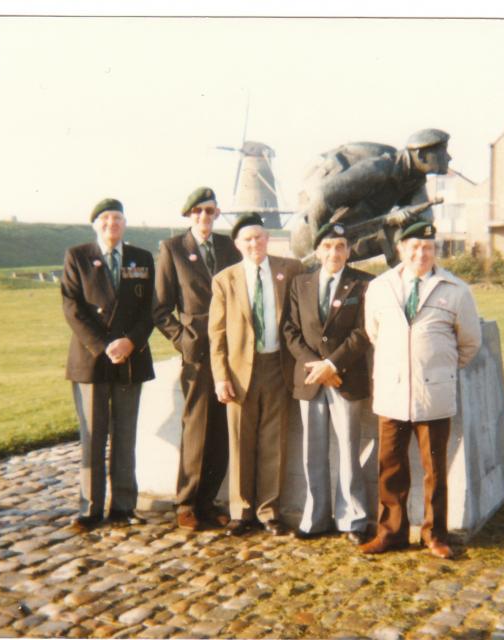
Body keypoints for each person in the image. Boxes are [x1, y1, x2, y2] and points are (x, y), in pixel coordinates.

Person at [361, 219, 481, 558]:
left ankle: (434, 534)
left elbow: (469, 344)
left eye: (427, 247)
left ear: (435, 251)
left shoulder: (455, 290)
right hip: (392, 392)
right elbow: (374, 332)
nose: (421, 253)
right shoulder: (381, 287)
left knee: (434, 469)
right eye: (414, 246)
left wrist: (437, 367)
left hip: (433, 394)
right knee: (390, 466)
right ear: (400, 249)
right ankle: (391, 532)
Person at [61, 198, 154, 531]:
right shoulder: (78, 257)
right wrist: (105, 346)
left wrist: (131, 341)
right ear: (95, 224)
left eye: (117, 218)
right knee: (93, 435)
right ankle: (89, 508)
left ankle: (123, 507)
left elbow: (148, 310)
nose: (111, 223)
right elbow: (72, 307)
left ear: (125, 223)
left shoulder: (140, 258)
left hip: (131, 358)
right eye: (105, 218)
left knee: (125, 435)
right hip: (92, 359)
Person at [209, 213, 304, 537]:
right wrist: (221, 376)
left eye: (259, 238)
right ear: (238, 244)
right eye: (248, 240)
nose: (255, 244)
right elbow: (217, 334)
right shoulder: (226, 280)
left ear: (268, 240)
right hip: (239, 373)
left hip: (277, 367)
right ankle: (241, 510)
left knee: (273, 443)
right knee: (240, 442)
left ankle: (268, 511)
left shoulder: (289, 270)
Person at [153, 187, 241, 531]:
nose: (205, 218)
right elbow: (160, 309)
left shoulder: (227, 247)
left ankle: (209, 500)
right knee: (197, 426)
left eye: (210, 211)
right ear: (189, 215)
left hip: (230, 348)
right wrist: (183, 339)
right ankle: (187, 501)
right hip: (198, 352)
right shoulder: (173, 249)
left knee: (222, 427)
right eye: (198, 212)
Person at [283, 222, 373, 545]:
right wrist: (316, 367)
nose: (334, 253)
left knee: (349, 448)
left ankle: (352, 519)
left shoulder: (363, 283)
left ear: (349, 251)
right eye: (328, 247)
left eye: (341, 247)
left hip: (344, 376)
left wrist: (332, 365)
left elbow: (363, 332)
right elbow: (290, 330)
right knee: (313, 450)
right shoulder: (300, 283)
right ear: (318, 251)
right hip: (311, 379)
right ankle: (315, 517)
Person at [292, 129, 451, 265]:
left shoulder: (414, 179)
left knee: (408, 227)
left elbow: (423, 222)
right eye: (443, 152)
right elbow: (322, 197)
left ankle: (410, 284)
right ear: (421, 155)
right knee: (398, 229)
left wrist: (402, 216)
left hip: (353, 234)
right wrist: (319, 245)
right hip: (310, 237)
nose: (449, 157)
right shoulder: (378, 170)